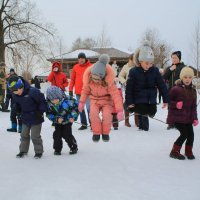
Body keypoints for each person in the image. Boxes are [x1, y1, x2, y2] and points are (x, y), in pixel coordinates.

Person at [78, 54, 124, 142]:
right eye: (93, 78)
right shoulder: (90, 80)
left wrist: (119, 110)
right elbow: (85, 91)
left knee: (107, 115)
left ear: (102, 77)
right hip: (94, 100)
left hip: (106, 101)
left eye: (97, 79)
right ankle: (96, 133)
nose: (94, 80)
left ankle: (105, 133)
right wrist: (81, 102)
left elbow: (116, 96)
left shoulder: (109, 83)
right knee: (93, 115)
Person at [125, 41, 169, 131]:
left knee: (152, 111)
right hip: (139, 98)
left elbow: (162, 85)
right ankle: (143, 129)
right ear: (140, 61)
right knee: (142, 111)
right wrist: (129, 102)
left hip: (151, 98)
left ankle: (145, 120)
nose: (149, 66)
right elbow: (129, 89)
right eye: (146, 63)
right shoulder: (133, 71)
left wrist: (166, 99)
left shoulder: (155, 71)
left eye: (151, 63)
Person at [7, 75, 47, 159]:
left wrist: (41, 111)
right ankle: (23, 150)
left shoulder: (33, 91)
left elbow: (42, 101)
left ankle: (39, 152)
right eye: (14, 91)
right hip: (25, 117)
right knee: (24, 134)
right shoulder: (15, 95)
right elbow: (16, 104)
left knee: (35, 136)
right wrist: (17, 110)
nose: (17, 92)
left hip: (36, 117)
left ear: (21, 86)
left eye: (18, 90)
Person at [167, 67, 198, 160]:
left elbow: (193, 107)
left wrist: (195, 118)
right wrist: (176, 104)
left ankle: (188, 151)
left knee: (191, 135)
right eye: (185, 77)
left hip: (188, 119)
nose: (187, 79)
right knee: (184, 134)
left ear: (192, 78)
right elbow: (168, 101)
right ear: (181, 78)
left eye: (189, 77)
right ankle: (174, 151)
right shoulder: (176, 89)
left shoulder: (193, 91)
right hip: (177, 118)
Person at [46, 86, 79, 155]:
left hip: (67, 121)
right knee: (57, 135)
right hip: (58, 122)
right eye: (52, 100)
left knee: (67, 134)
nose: (55, 101)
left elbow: (76, 107)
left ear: (60, 96)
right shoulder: (49, 104)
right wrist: (56, 119)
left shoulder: (68, 100)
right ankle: (57, 149)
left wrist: (72, 116)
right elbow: (49, 114)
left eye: (56, 99)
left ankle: (73, 147)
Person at [69, 52, 92, 130]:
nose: (81, 60)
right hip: (78, 92)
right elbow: (72, 79)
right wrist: (70, 90)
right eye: (79, 58)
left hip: (88, 92)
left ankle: (92, 124)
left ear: (85, 59)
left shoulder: (90, 66)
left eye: (82, 58)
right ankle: (84, 124)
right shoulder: (75, 67)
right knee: (80, 108)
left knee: (89, 108)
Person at [163, 51, 186, 130]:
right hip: (171, 91)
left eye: (175, 58)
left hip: (181, 91)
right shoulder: (169, 67)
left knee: (180, 107)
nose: (173, 59)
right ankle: (171, 123)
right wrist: (170, 69)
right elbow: (164, 77)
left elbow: (186, 78)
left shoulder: (183, 67)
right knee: (171, 107)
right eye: (172, 58)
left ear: (179, 58)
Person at [118, 53, 139, 127]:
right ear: (130, 59)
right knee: (127, 103)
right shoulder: (125, 67)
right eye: (133, 59)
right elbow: (120, 76)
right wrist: (124, 81)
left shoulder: (138, 66)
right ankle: (126, 121)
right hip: (129, 88)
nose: (135, 61)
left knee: (137, 104)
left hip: (137, 88)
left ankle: (137, 121)